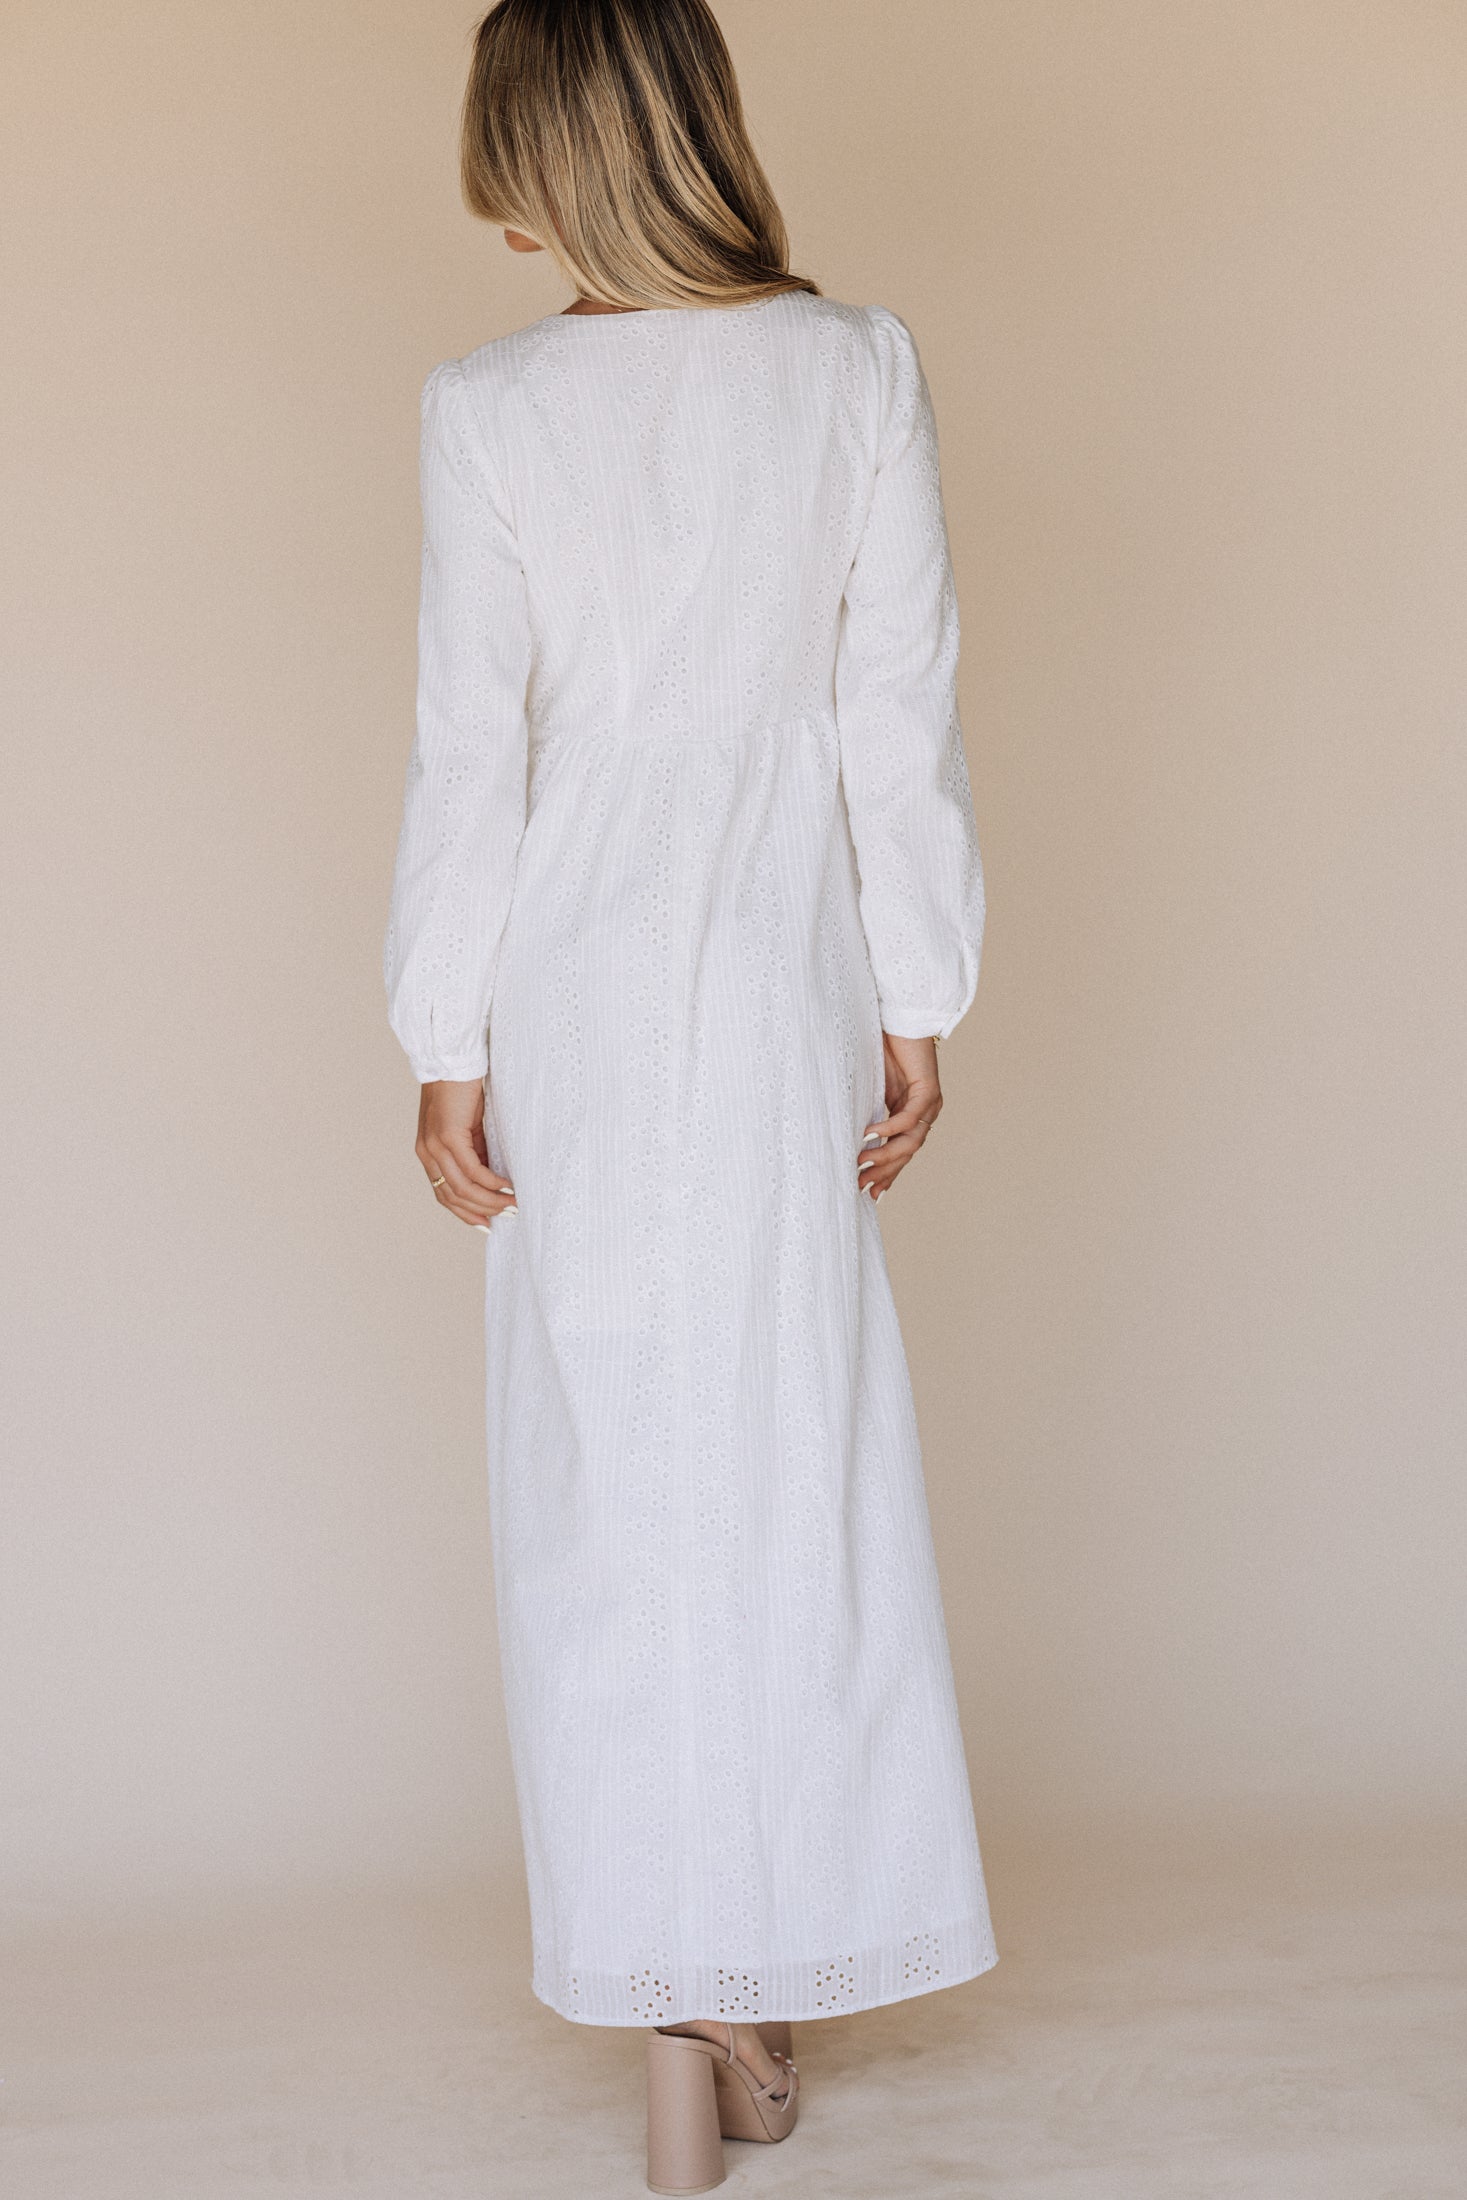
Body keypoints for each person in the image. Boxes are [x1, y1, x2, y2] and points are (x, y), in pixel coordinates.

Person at [382, 0, 998, 2188]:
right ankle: (743, 1978)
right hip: (774, 971)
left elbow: (470, 749)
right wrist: (916, 989)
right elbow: (893, 709)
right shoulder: (856, 368)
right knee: (783, 1458)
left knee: (600, 1488)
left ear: (546, 162)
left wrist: (443, 1040)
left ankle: (675, 2004)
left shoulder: (489, 407)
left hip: (567, 981)